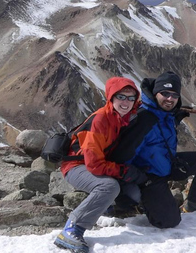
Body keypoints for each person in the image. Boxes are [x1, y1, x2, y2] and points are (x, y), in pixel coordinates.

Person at [118, 71, 196, 229]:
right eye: (165, 93)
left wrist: (174, 119)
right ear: (155, 93)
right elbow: (122, 157)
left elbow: (158, 137)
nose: (170, 99)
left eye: (174, 95)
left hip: (167, 163)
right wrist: (137, 179)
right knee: (169, 221)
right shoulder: (142, 120)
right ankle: (139, 203)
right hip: (148, 176)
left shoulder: (165, 114)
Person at [54, 77, 147, 253]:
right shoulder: (101, 120)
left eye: (130, 98)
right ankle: (72, 228)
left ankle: (105, 208)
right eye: (121, 96)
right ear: (111, 97)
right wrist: (122, 171)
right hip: (75, 167)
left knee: (133, 194)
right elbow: (94, 164)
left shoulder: (122, 117)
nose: (126, 102)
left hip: (94, 164)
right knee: (108, 187)